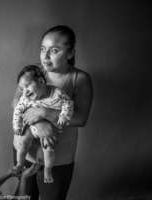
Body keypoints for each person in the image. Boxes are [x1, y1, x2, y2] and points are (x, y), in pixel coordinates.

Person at [13, 25, 93, 200]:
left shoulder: (79, 79)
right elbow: (16, 102)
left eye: (54, 50)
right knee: (23, 196)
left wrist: (45, 113)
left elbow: (80, 118)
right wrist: (39, 123)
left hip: (58, 157)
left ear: (70, 53)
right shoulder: (34, 72)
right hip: (25, 149)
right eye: (43, 49)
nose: (45, 56)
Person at [13, 65, 74, 183]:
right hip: (32, 127)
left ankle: (48, 170)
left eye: (27, 86)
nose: (25, 92)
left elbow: (68, 104)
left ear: (41, 81)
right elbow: (18, 110)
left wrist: (63, 116)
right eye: (22, 89)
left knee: (48, 149)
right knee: (23, 141)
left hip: (50, 128)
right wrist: (17, 125)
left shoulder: (56, 93)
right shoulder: (25, 99)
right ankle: (20, 164)